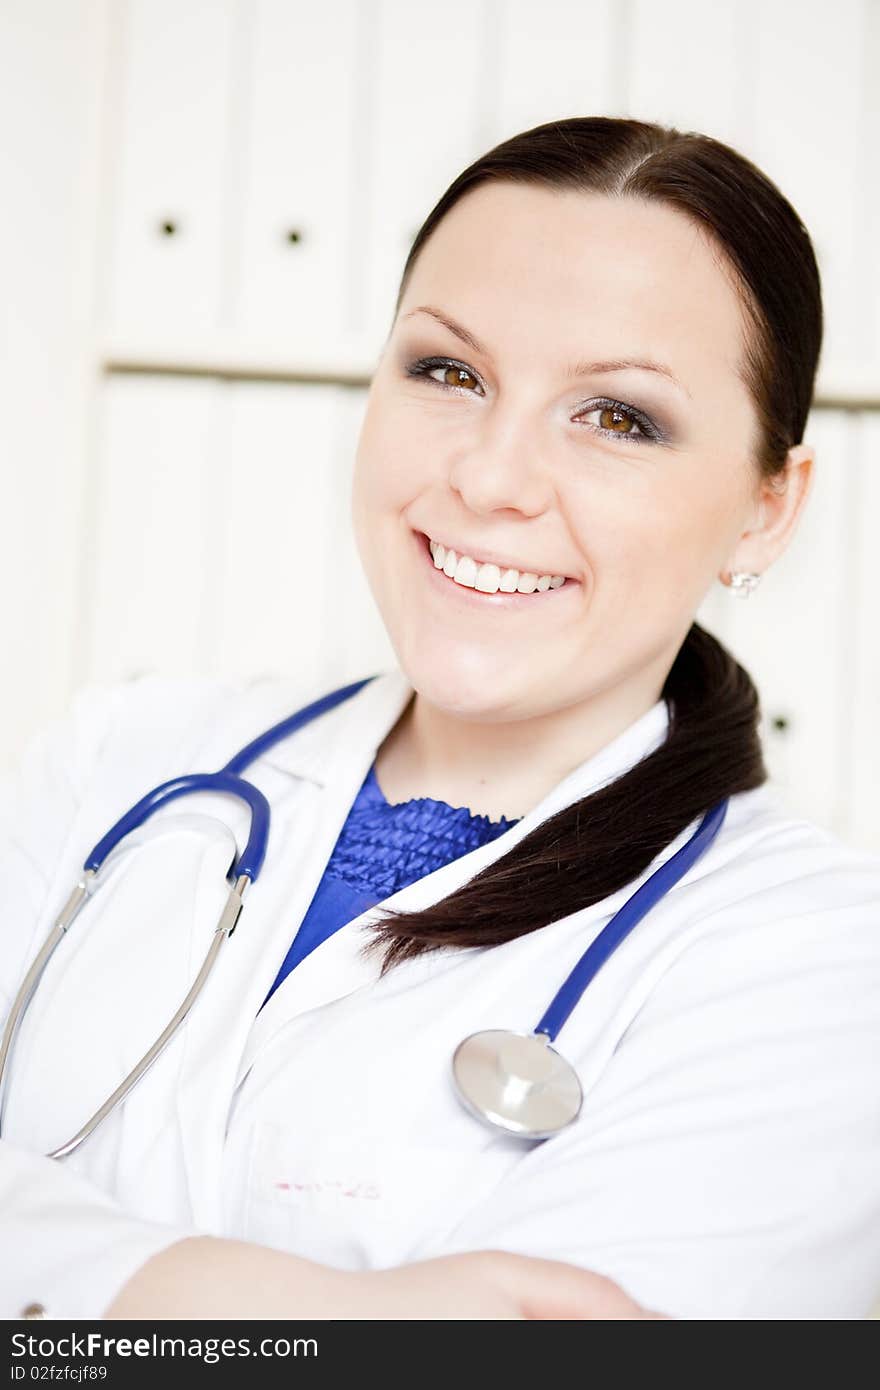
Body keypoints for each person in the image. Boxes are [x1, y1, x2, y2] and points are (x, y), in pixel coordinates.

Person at [2, 115, 879, 1323]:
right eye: (449, 372)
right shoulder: (122, 763)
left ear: (764, 512)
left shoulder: (817, 966)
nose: (488, 479)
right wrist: (285, 1307)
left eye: (617, 416)